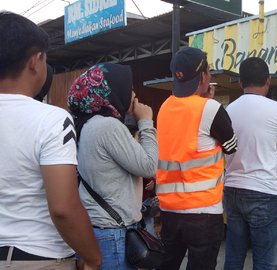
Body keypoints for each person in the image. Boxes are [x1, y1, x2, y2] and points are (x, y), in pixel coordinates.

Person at [0, 12, 101, 270]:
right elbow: (63, 208)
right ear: (35, 61)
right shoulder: (53, 119)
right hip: (39, 256)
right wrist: (92, 257)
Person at [67, 63, 158, 270]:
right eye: (129, 87)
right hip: (112, 233)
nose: (134, 94)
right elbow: (149, 166)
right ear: (111, 90)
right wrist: (146, 122)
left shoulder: (86, 124)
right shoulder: (108, 126)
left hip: (98, 228)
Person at [156, 47, 237, 270]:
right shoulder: (210, 108)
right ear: (204, 77)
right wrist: (207, 102)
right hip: (203, 212)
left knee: (168, 264)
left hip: (169, 209)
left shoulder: (164, 108)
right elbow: (231, 146)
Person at [224, 57, 277, 270]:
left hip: (232, 189)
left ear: (240, 83)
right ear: (268, 80)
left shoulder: (228, 110)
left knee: (233, 256)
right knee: (265, 261)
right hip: (264, 192)